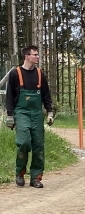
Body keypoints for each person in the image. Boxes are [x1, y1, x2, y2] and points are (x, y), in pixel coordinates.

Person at [5, 45, 54, 188]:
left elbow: (46, 95)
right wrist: (10, 115)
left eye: (38, 55)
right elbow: (9, 97)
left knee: (39, 145)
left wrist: (50, 112)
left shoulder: (40, 73)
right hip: (21, 113)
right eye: (35, 55)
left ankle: (36, 178)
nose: (38, 57)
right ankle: (20, 173)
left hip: (37, 114)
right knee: (24, 143)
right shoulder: (15, 73)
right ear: (27, 56)